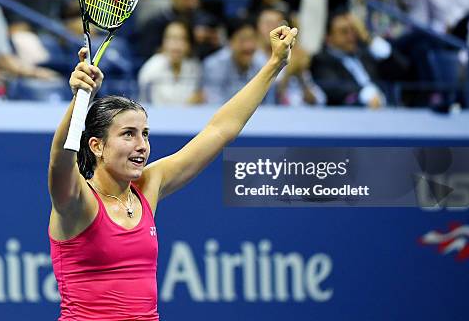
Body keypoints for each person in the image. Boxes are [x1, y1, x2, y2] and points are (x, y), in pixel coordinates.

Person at [48, 24, 297, 320]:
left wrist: (273, 65)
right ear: (97, 146)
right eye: (128, 134)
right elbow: (60, 160)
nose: (141, 145)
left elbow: (219, 131)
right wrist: (80, 99)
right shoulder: (77, 201)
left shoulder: (147, 187)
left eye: (145, 134)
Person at [202, 17, 272, 104]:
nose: (249, 46)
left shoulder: (262, 63)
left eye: (252, 39)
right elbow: (213, 103)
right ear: (230, 42)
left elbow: (269, 102)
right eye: (243, 40)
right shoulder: (214, 65)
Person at [137, 20, 203, 105]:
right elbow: (143, 103)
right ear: (163, 43)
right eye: (171, 38)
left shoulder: (195, 68)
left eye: (182, 39)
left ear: (189, 45)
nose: (176, 44)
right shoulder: (150, 68)